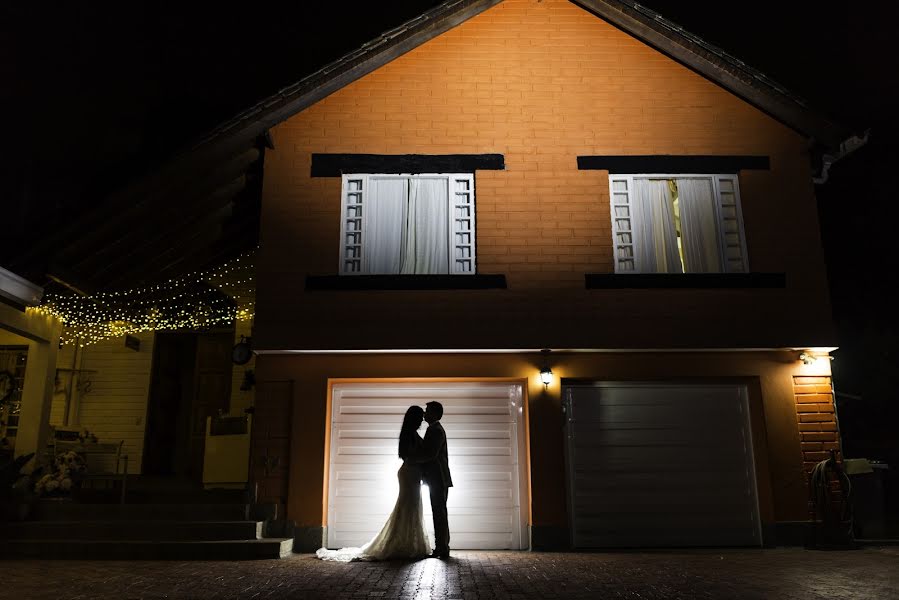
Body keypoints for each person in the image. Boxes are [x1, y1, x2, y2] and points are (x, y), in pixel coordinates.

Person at [315, 405, 431, 562]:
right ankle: (404, 544)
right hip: (409, 473)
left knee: (411, 506)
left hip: (412, 473)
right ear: (414, 418)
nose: (421, 422)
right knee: (408, 506)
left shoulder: (411, 434)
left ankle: (409, 542)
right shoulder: (409, 434)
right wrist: (425, 459)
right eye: (419, 418)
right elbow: (409, 456)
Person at [420, 400, 452, 559]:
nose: (424, 414)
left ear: (434, 413)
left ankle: (442, 548)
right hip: (437, 477)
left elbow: (430, 454)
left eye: (427, 411)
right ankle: (442, 546)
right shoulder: (434, 429)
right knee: (439, 512)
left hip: (438, 477)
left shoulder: (435, 431)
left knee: (438, 512)